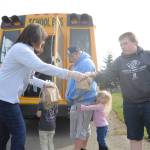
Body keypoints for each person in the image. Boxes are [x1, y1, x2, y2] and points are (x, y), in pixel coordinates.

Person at [0, 23, 85, 150]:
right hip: (5, 99)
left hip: (6, 98)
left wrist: (44, 84)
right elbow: (43, 67)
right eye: (43, 39)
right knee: (19, 132)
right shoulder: (21, 49)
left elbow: (29, 78)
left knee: (4, 133)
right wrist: (72, 74)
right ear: (35, 38)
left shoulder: (24, 50)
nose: (44, 42)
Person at [88, 32, 150, 150]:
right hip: (130, 105)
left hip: (149, 102)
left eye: (125, 43)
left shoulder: (147, 55)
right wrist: (93, 75)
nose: (122, 46)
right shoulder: (119, 62)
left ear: (135, 42)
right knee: (135, 137)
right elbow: (106, 75)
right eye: (121, 45)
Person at [65, 46, 97, 150]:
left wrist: (72, 98)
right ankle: (83, 148)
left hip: (82, 101)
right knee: (84, 128)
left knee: (79, 131)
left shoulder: (86, 64)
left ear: (77, 53)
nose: (69, 58)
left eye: (70, 55)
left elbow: (83, 87)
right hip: (82, 101)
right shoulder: (79, 64)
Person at [36, 84, 59, 150]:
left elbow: (38, 115)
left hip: (43, 127)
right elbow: (56, 113)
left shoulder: (41, 102)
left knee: (44, 143)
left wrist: (37, 112)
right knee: (51, 142)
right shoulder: (55, 103)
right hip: (52, 127)